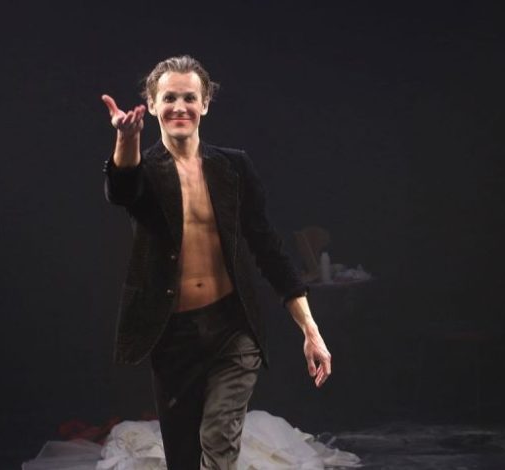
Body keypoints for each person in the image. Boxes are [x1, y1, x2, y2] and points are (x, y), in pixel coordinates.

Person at [101, 55, 332, 470]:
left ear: (205, 103)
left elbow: (269, 250)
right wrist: (126, 138)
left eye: (190, 98)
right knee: (184, 459)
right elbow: (122, 190)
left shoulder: (233, 167)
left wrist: (310, 331)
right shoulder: (144, 169)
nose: (180, 107)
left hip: (232, 329)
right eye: (169, 98)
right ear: (152, 105)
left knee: (218, 439)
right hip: (173, 335)